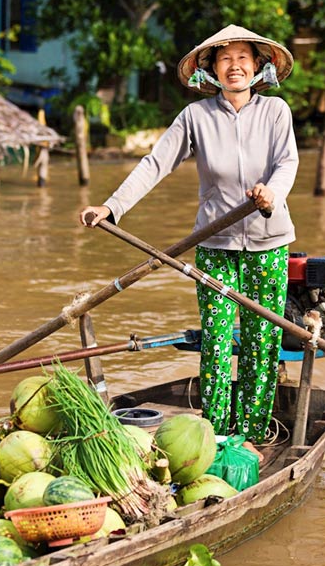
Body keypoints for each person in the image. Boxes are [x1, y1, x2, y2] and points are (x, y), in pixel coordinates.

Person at [79, 25, 298, 446]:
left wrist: (272, 194)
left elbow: (286, 163)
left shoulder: (275, 112)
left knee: (262, 339)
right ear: (212, 70)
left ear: (257, 66)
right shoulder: (196, 117)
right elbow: (154, 164)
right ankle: (212, 435)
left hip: (268, 244)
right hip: (215, 246)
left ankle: (251, 435)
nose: (234, 66)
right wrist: (112, 207)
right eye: (225, 59)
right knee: (216, 341)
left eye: (242, 58)